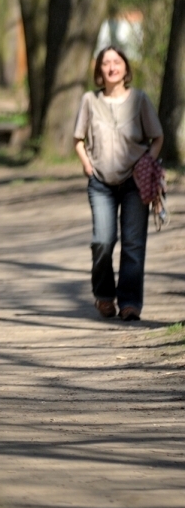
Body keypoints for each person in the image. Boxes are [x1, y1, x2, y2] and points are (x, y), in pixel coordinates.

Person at [73, 46, 163, 322]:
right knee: (102, 240)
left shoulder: (140, 99)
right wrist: (87, 165)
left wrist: (147, 163)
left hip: (134, 182)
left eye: (117, 62)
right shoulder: (90, 100)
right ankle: (103, 295)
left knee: (133, 244)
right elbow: (78, 139)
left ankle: (129, 303)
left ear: (125, 68)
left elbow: (157, 137)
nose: (112, 67)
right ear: (99, 70)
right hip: (100, 183)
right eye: (106, 63)